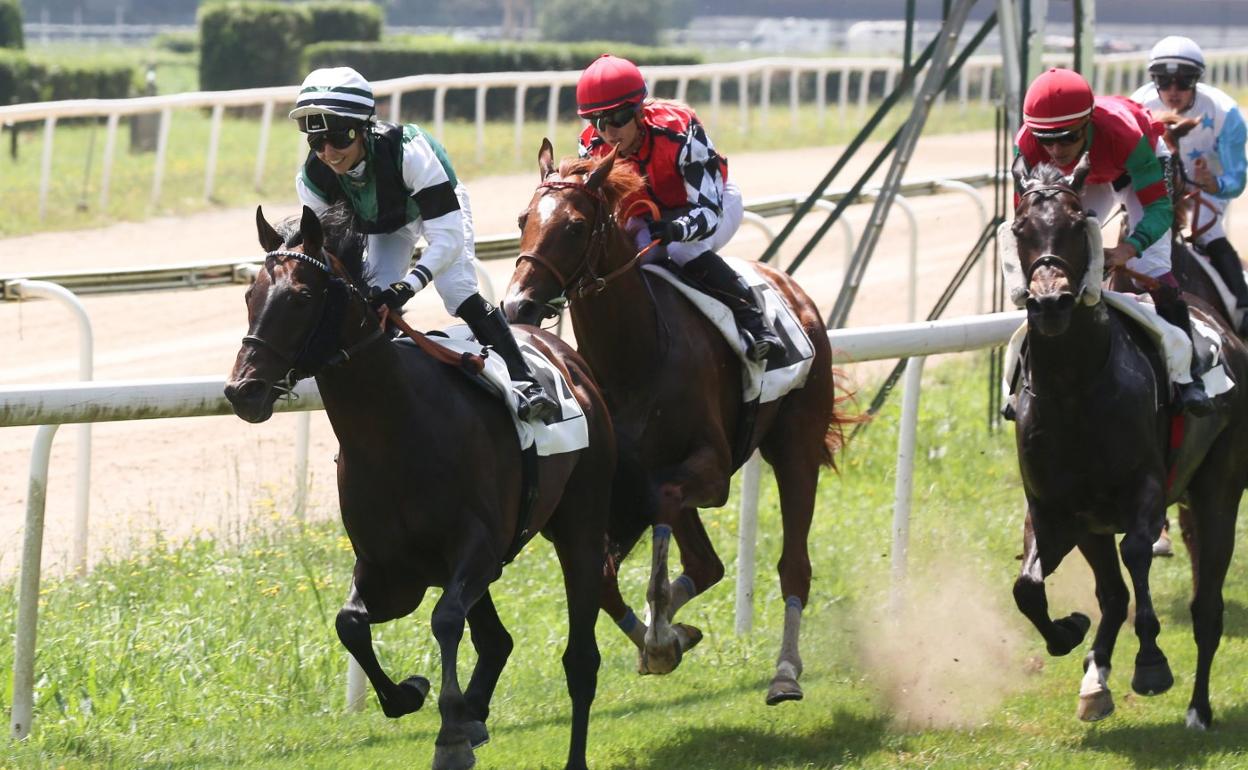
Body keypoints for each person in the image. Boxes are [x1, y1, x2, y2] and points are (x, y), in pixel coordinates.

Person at [290, 66, 558, 421]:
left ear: (363, 127)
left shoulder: (409, 151)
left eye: (339, 138)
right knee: (372, 295)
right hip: (385, 221)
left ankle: (526, 381)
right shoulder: (313, 178)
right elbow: (331, 251)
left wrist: (407, 287)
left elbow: (446, 240)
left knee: (456, 289)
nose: (328, 152)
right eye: (316, 141)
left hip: (436, 207)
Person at [1015, 67, 1211, 414]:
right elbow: (1026, 225)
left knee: (1151, 265)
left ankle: (1189, 377)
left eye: (1066, 137)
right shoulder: (1029, 144)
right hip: (1087, 175)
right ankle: (1023, 375)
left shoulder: (1124, 134)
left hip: (1134, 168)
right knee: (1056, 254)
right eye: (1047, 140)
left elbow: (1159, 211)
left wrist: (1128, 248)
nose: (1056, 150)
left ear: (1088, 122)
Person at [574, 53, 783, 363]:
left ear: (639, 111)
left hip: (713, 204)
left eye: (618, 118)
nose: (608, 131)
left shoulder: (681, 131)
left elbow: (709, 212)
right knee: (629, 262)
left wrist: (676, 229)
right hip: (650, 215)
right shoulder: (591, 147)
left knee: (684, 251)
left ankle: (756, 322)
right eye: (598, 121)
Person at [1130, 36, 1248, 337]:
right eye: (1163, 81)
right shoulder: (1137, 106)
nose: (1173, 91)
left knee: (1210, 233)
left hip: (1203, 190)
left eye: (1183, 82)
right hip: (1151, 188)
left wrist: (1215, 182)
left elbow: (1237, 181)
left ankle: (1243, 306)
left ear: (1196, 80)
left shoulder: (1225, 113)